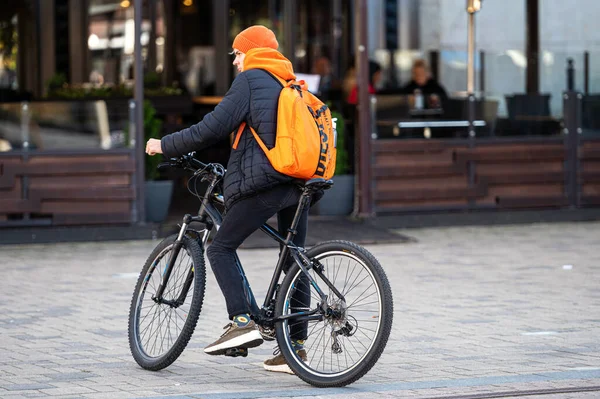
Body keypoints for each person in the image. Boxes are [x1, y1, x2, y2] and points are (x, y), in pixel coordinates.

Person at [145, 25, 312, 375]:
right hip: (300, 182)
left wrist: (165, 144)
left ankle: (241, 321)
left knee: (220, 247)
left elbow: (211, 127)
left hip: (266, 182)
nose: (235, 61)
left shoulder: (251, 79)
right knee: (293, 261)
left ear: (250, 52)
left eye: (237, 53)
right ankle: (294, 349)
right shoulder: (287, 82)